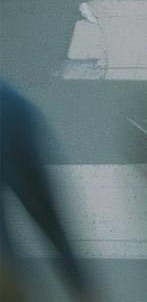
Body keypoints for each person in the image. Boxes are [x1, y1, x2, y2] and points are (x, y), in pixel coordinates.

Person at [0, 82, 92, 302]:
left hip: (9, 117)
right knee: (50, 221)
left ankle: (79, 286)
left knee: (8, 263)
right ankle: (81, 287)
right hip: (11, 116)